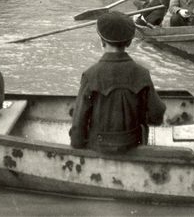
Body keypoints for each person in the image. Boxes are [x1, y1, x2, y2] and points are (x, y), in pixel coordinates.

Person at [69, 11, 166, 154]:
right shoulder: (142, 73)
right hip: (133, 143)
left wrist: (77, 145)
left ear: (101, 41)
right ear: (129, 41)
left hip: (98, 146)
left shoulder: (90, 75)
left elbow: (79, 123)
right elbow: (157, 114)